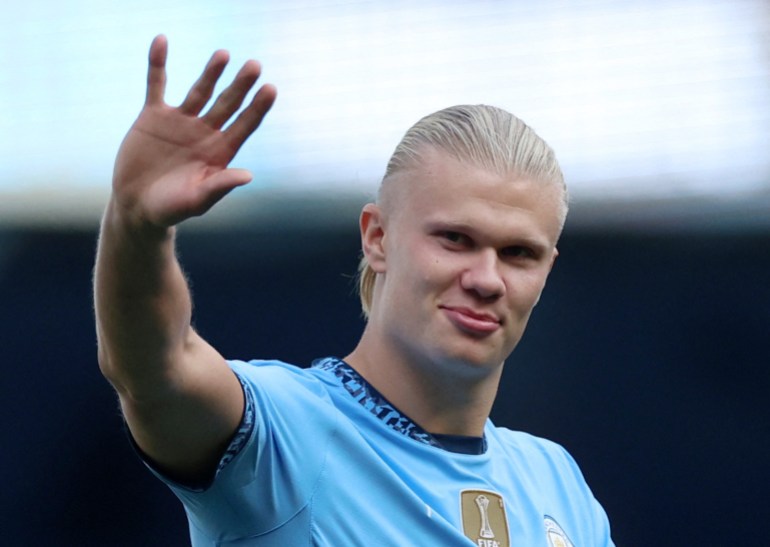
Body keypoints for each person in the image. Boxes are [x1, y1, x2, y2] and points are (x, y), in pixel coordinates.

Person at [94, 35, 614, 546]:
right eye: (455, 239)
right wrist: (136, 225)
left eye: (518, 253)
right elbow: (153, 366)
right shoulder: (282, 438)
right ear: (377, 237)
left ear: (547, 270)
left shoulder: (557, 484)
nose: (485, 279)